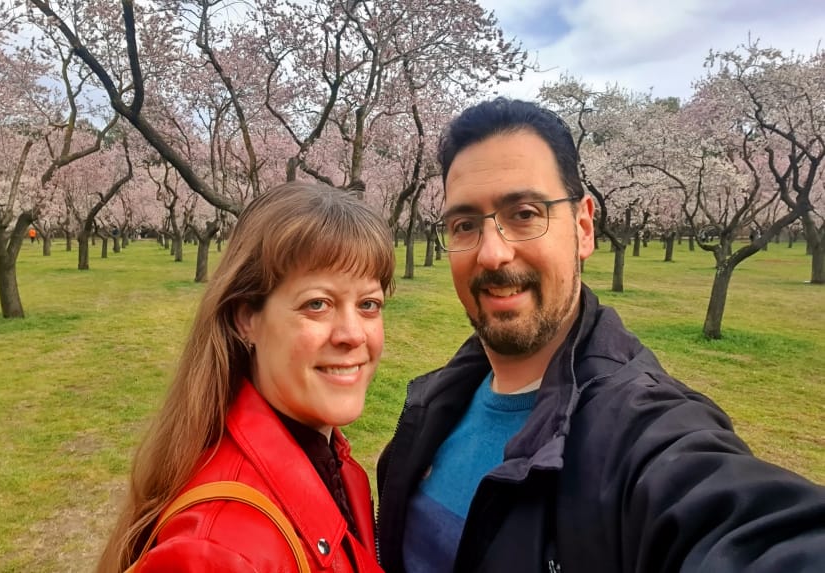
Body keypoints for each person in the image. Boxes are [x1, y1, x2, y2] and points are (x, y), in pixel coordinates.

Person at [375, 98, 825, 573]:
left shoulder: (640, 434)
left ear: (583, 226)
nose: (492, 253)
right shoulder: (434, 405)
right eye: (465, 225)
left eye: (525, 214)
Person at [98, 181, 393, 573]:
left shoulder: (337, 465)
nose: (353, 334)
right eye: (317, 304)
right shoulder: (218, 551)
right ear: (246, 319)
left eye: (369, 304)